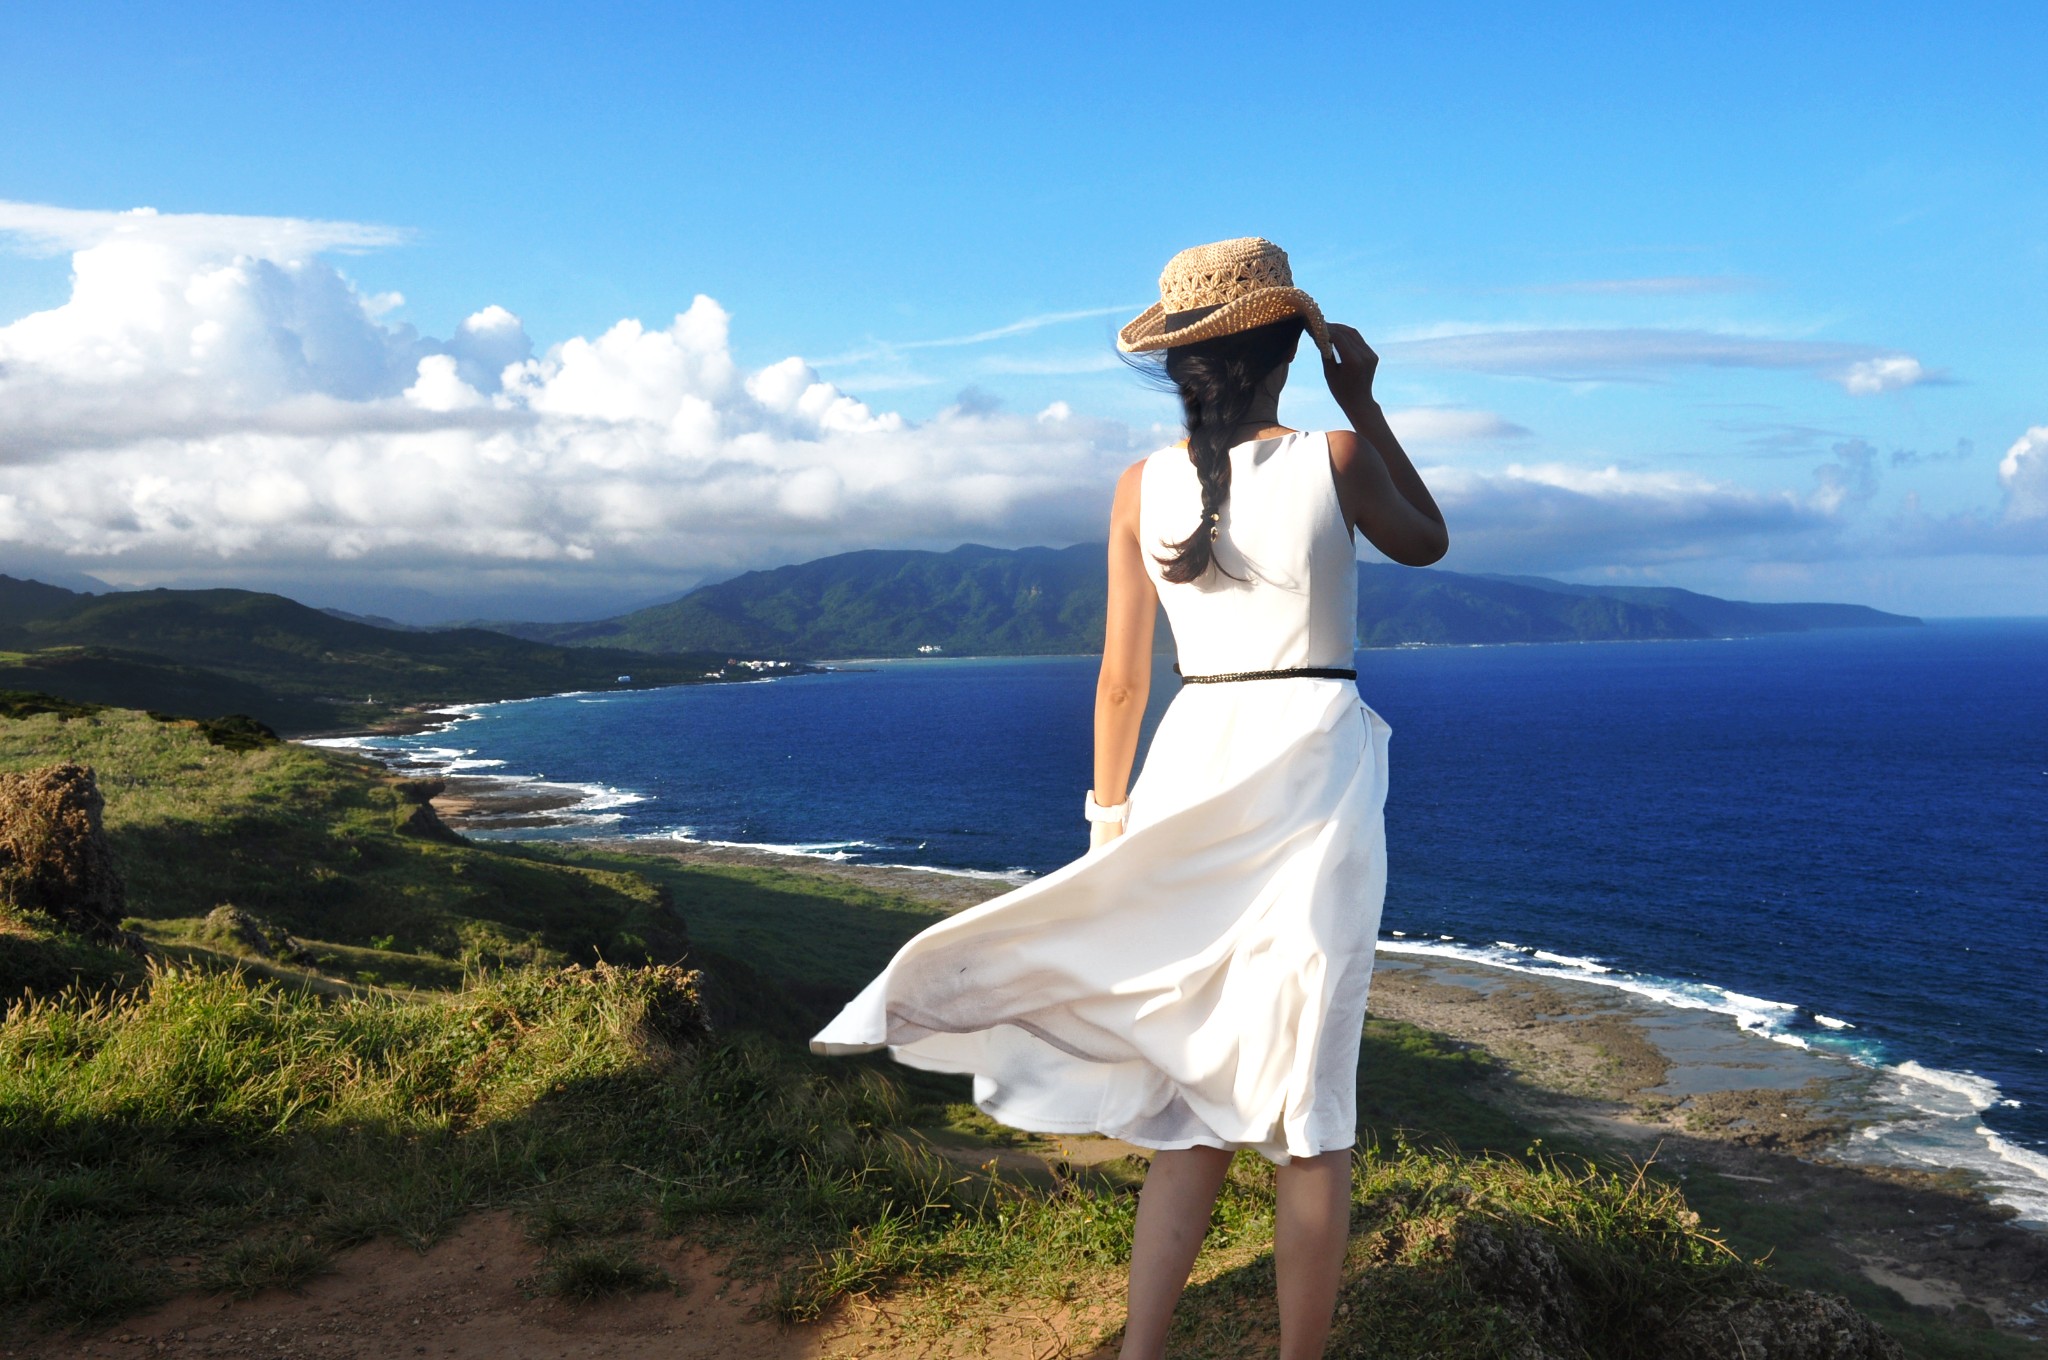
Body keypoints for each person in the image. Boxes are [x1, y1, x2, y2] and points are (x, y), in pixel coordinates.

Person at [812, 237, 1447, 1359]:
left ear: (1180, 366)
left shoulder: (1135, 486)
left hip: (1187, 760)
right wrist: (1366, 402)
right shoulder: (1336, 457)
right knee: (1308, 1099)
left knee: (1191, 1087)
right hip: (1310, 768)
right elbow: (1426, 541)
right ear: (1287, 349)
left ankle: (1139, 1348)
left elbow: (1118, 680)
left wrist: (1108, 832)